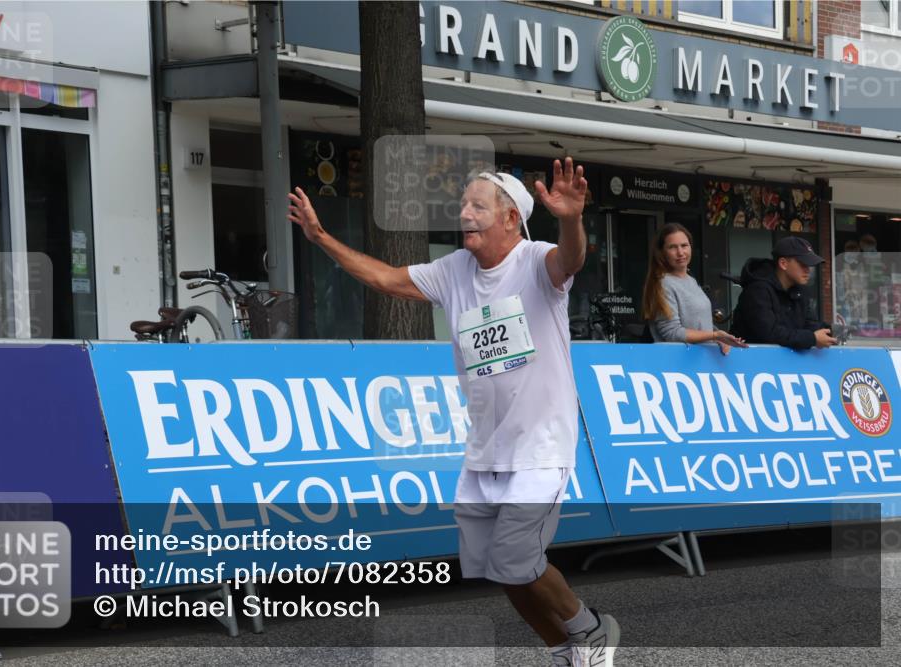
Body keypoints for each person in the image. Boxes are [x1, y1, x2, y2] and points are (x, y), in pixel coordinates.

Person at [288, 158, 619, 667]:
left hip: (540, 447)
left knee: (515, 560)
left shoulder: (536, 261)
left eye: (477, 206)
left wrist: (572, 218)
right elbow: (385, 279)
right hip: (486, 450)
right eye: (463, 204)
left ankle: (590, 629)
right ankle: (562, 650)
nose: (464, 213)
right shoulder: (454, 270)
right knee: (495, 567)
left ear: (511, 218)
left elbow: (571, 261)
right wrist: (321, 237)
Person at [641, 223, 746, 354]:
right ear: (662, 253)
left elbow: (700, 325)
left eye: (684, 245)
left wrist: (719, 338)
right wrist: (715, 336)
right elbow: (672, 333)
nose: (680, 252)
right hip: (677, 364)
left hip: (700, 362)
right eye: (672, 247)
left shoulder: (691, 280)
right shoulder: (663, 283)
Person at [731, 236, 837, 349]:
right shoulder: (757, 290)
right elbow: (769, 334)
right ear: (783, 263)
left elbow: (809, 323)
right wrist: (812, 338)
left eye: (809, 265)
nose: (808, 270)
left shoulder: (799, 290)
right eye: (803, 264)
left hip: (781, 364)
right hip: (748, 363)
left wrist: (830, 331)